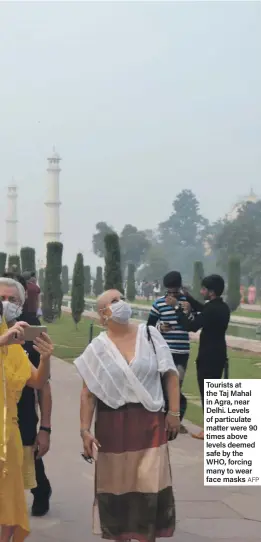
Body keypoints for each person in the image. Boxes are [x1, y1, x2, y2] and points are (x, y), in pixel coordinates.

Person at [74, 289, 180, 542]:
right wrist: (85, 431)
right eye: (113, 301)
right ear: (103, 314)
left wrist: (174, 412)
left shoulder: (149, 334)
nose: (121, 303)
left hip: (150, 424)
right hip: (113, 427)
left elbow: (170, 374)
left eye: (121, 298)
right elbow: (88, 394)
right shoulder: (97, 348)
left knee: (149, 489)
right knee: (116, 491)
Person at [0, 279, 53, 542]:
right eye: (1, 299)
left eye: (12, 300)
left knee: (9, 506)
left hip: (12, 432)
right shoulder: (7, 341)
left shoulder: (19, 347)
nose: (5, 305)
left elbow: (39, 382)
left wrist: (45, 359)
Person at [174, 274, 230, 440]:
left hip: (208, 355)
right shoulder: (223, 307)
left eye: (204, 289)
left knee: (207, 392)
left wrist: (179, 309)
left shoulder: (211, 309)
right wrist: (188, 298)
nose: (201, 291)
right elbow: (203, 309)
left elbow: (191, 326)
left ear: (211, 292)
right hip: (219, 353)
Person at [147, 271, 192, 433]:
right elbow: (149, 326)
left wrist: (181, 308)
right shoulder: (159, 303)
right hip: (164, 351)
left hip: (182, 352)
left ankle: (175, 420)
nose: (172, 294)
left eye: (175, 291)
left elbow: (190, 324)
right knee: (162, 386)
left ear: (179, 288)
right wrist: (160, 327)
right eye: (169, 291)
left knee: (176, 386)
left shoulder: (187, 303)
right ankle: (163, 419)